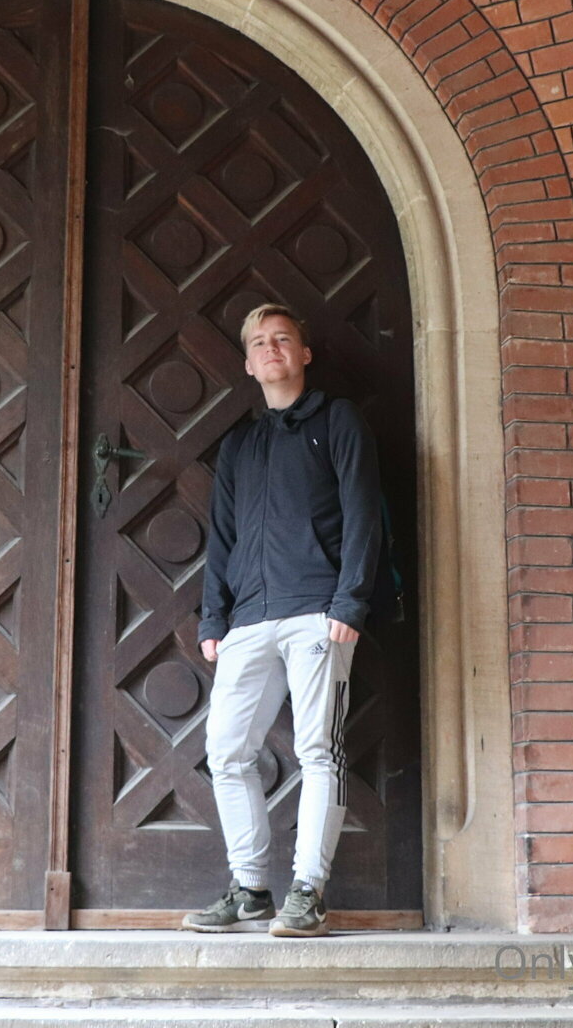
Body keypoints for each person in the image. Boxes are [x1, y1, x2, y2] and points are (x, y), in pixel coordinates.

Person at [179, 302, 382, 938]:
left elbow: (364, 513)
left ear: (304, 353)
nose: (271, 349)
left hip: (318, 614)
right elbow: (223, 538)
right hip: (247, 620)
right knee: (226, 752)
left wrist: (350, 602)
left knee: (318, 750)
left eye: (283, 339)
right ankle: (250, 890)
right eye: (259, 342)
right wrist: (214, 618)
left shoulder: (337, 420)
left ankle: (307, 892)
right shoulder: (240, 444)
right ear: (248, 363)